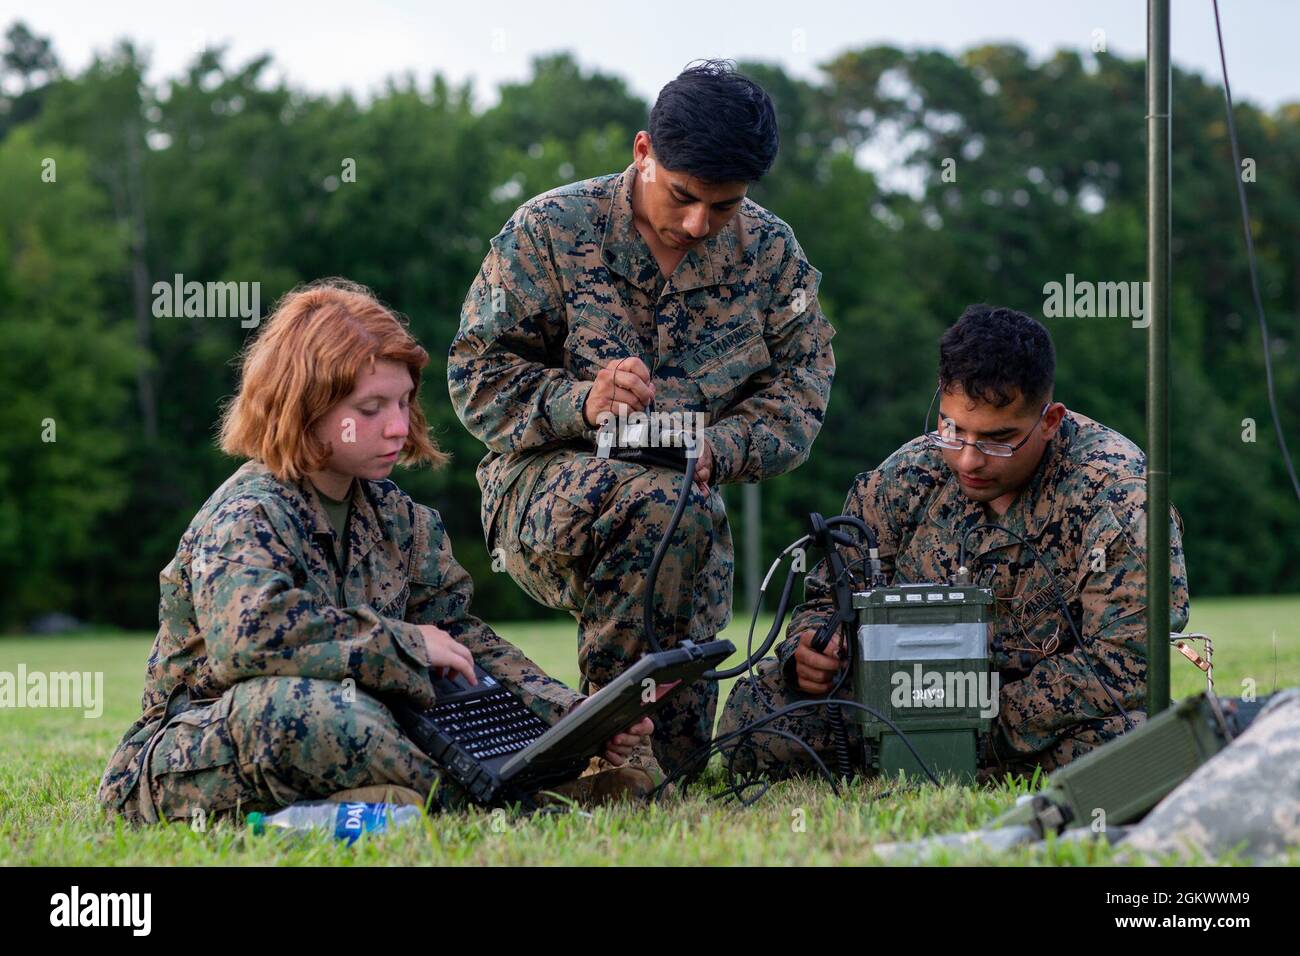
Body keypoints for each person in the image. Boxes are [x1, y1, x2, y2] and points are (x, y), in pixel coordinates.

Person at [97, 279, 652, 825]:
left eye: (405, 401)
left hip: (360, 725)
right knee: (318, 712)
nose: (398, 425)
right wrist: (408, 644)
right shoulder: (249, 511)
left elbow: (458, 638)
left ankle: (392, 801)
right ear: (305, 407)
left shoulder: (399, 518)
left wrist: (569, 715)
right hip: (196, 748)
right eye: (370, 408)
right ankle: (516, 802)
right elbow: (248, 641)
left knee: (436, 708)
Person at [448, 60, 836, 778]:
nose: (697, 224)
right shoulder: (549, 230)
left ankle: (636, 750)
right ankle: (603, 747)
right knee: (659, 506)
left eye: (723, 208)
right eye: (683, 197)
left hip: (688, 511)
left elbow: (804, 387)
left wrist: (724, 443)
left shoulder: (770, 254)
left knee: (679, 771)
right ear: (642, 152)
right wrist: (581, 401)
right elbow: (475, 379)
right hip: (541, 490)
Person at [719, 304, 1191, 780]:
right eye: (952, 429)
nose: (968, 460)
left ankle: (928, 764)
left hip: (1030, 720)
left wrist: (968, 724)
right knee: (753, 715)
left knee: (1149, 738)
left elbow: (1127, 662)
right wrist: (812, 647)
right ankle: (928, 761)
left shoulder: (1121, 496)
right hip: (896, 704)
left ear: (1050, 421)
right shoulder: (908, 475)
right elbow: (827, 595)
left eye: (996, 440)